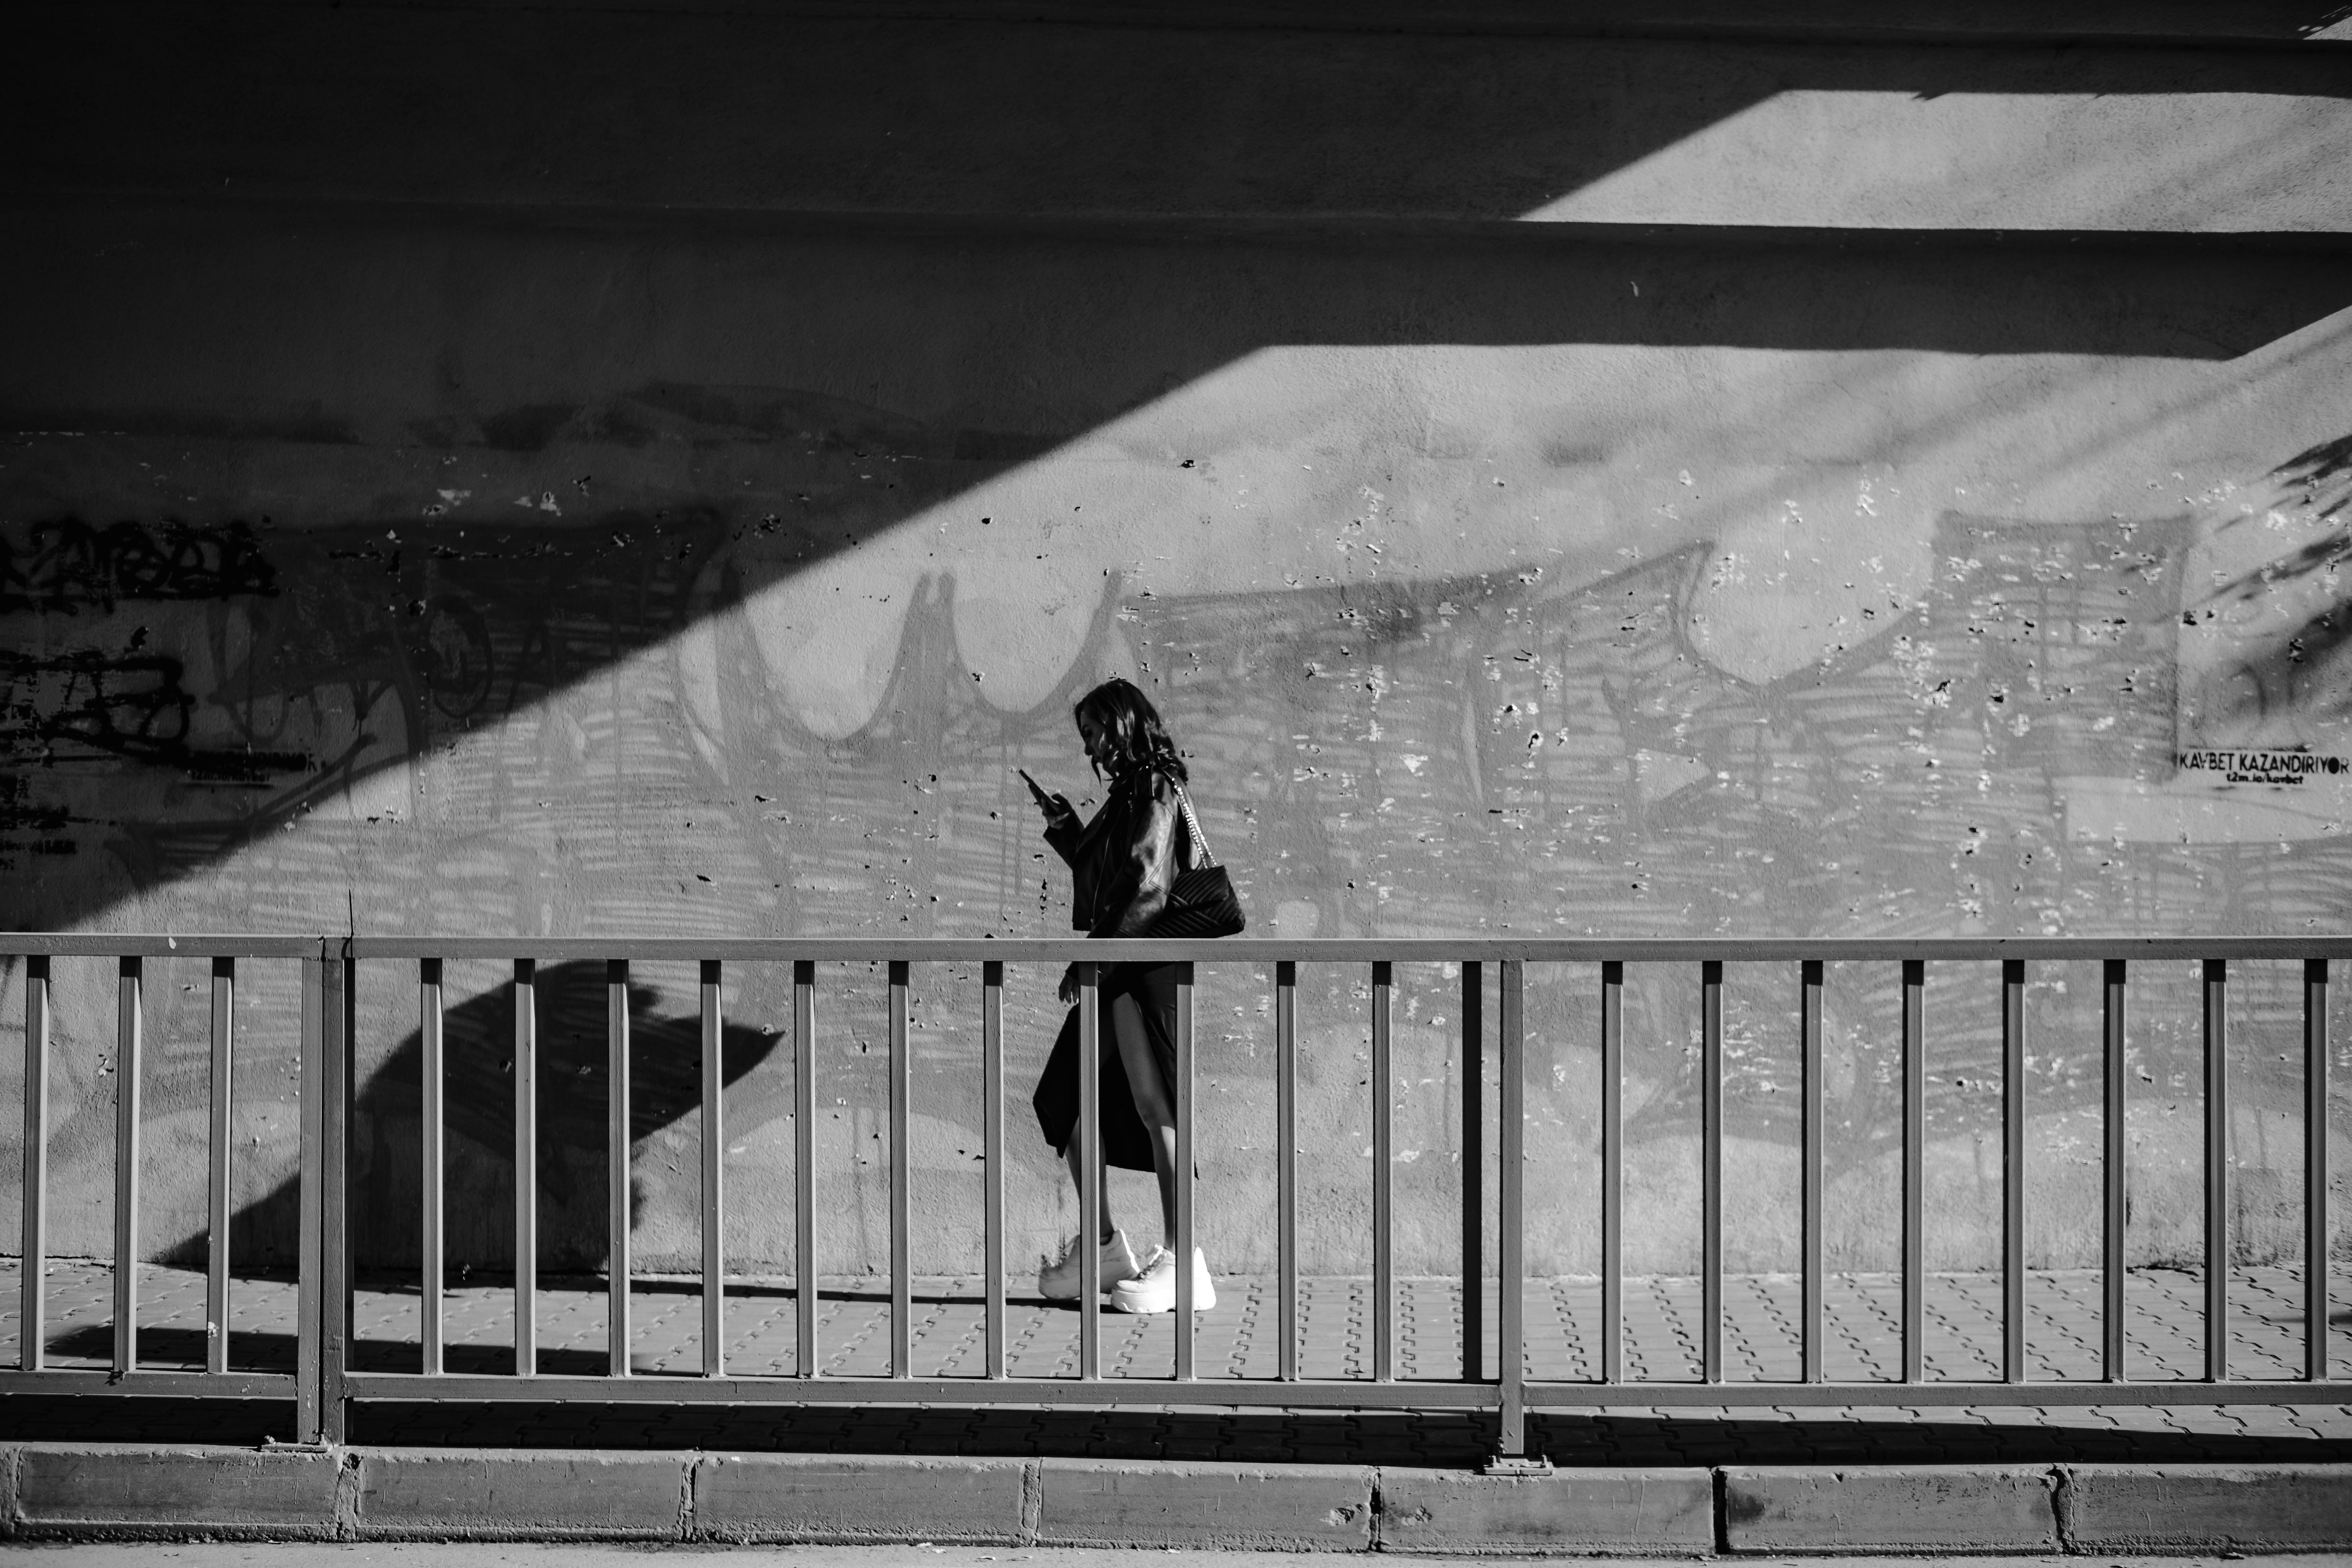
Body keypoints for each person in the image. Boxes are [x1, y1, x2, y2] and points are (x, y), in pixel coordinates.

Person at [1027, 677, 1216, 1314]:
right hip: (1119, 960)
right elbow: (1115, 872)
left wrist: (1094, 963)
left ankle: (1184, 1259)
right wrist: (1067, 831)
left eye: (1093, 735)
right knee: (1065, 1099)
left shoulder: (1158, 787)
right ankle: (1106, 1246)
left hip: (1142, 961)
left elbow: (1145, 888)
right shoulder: (1132, 793)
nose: (1090, 751)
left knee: (1153, 1102)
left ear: (1122, 724)